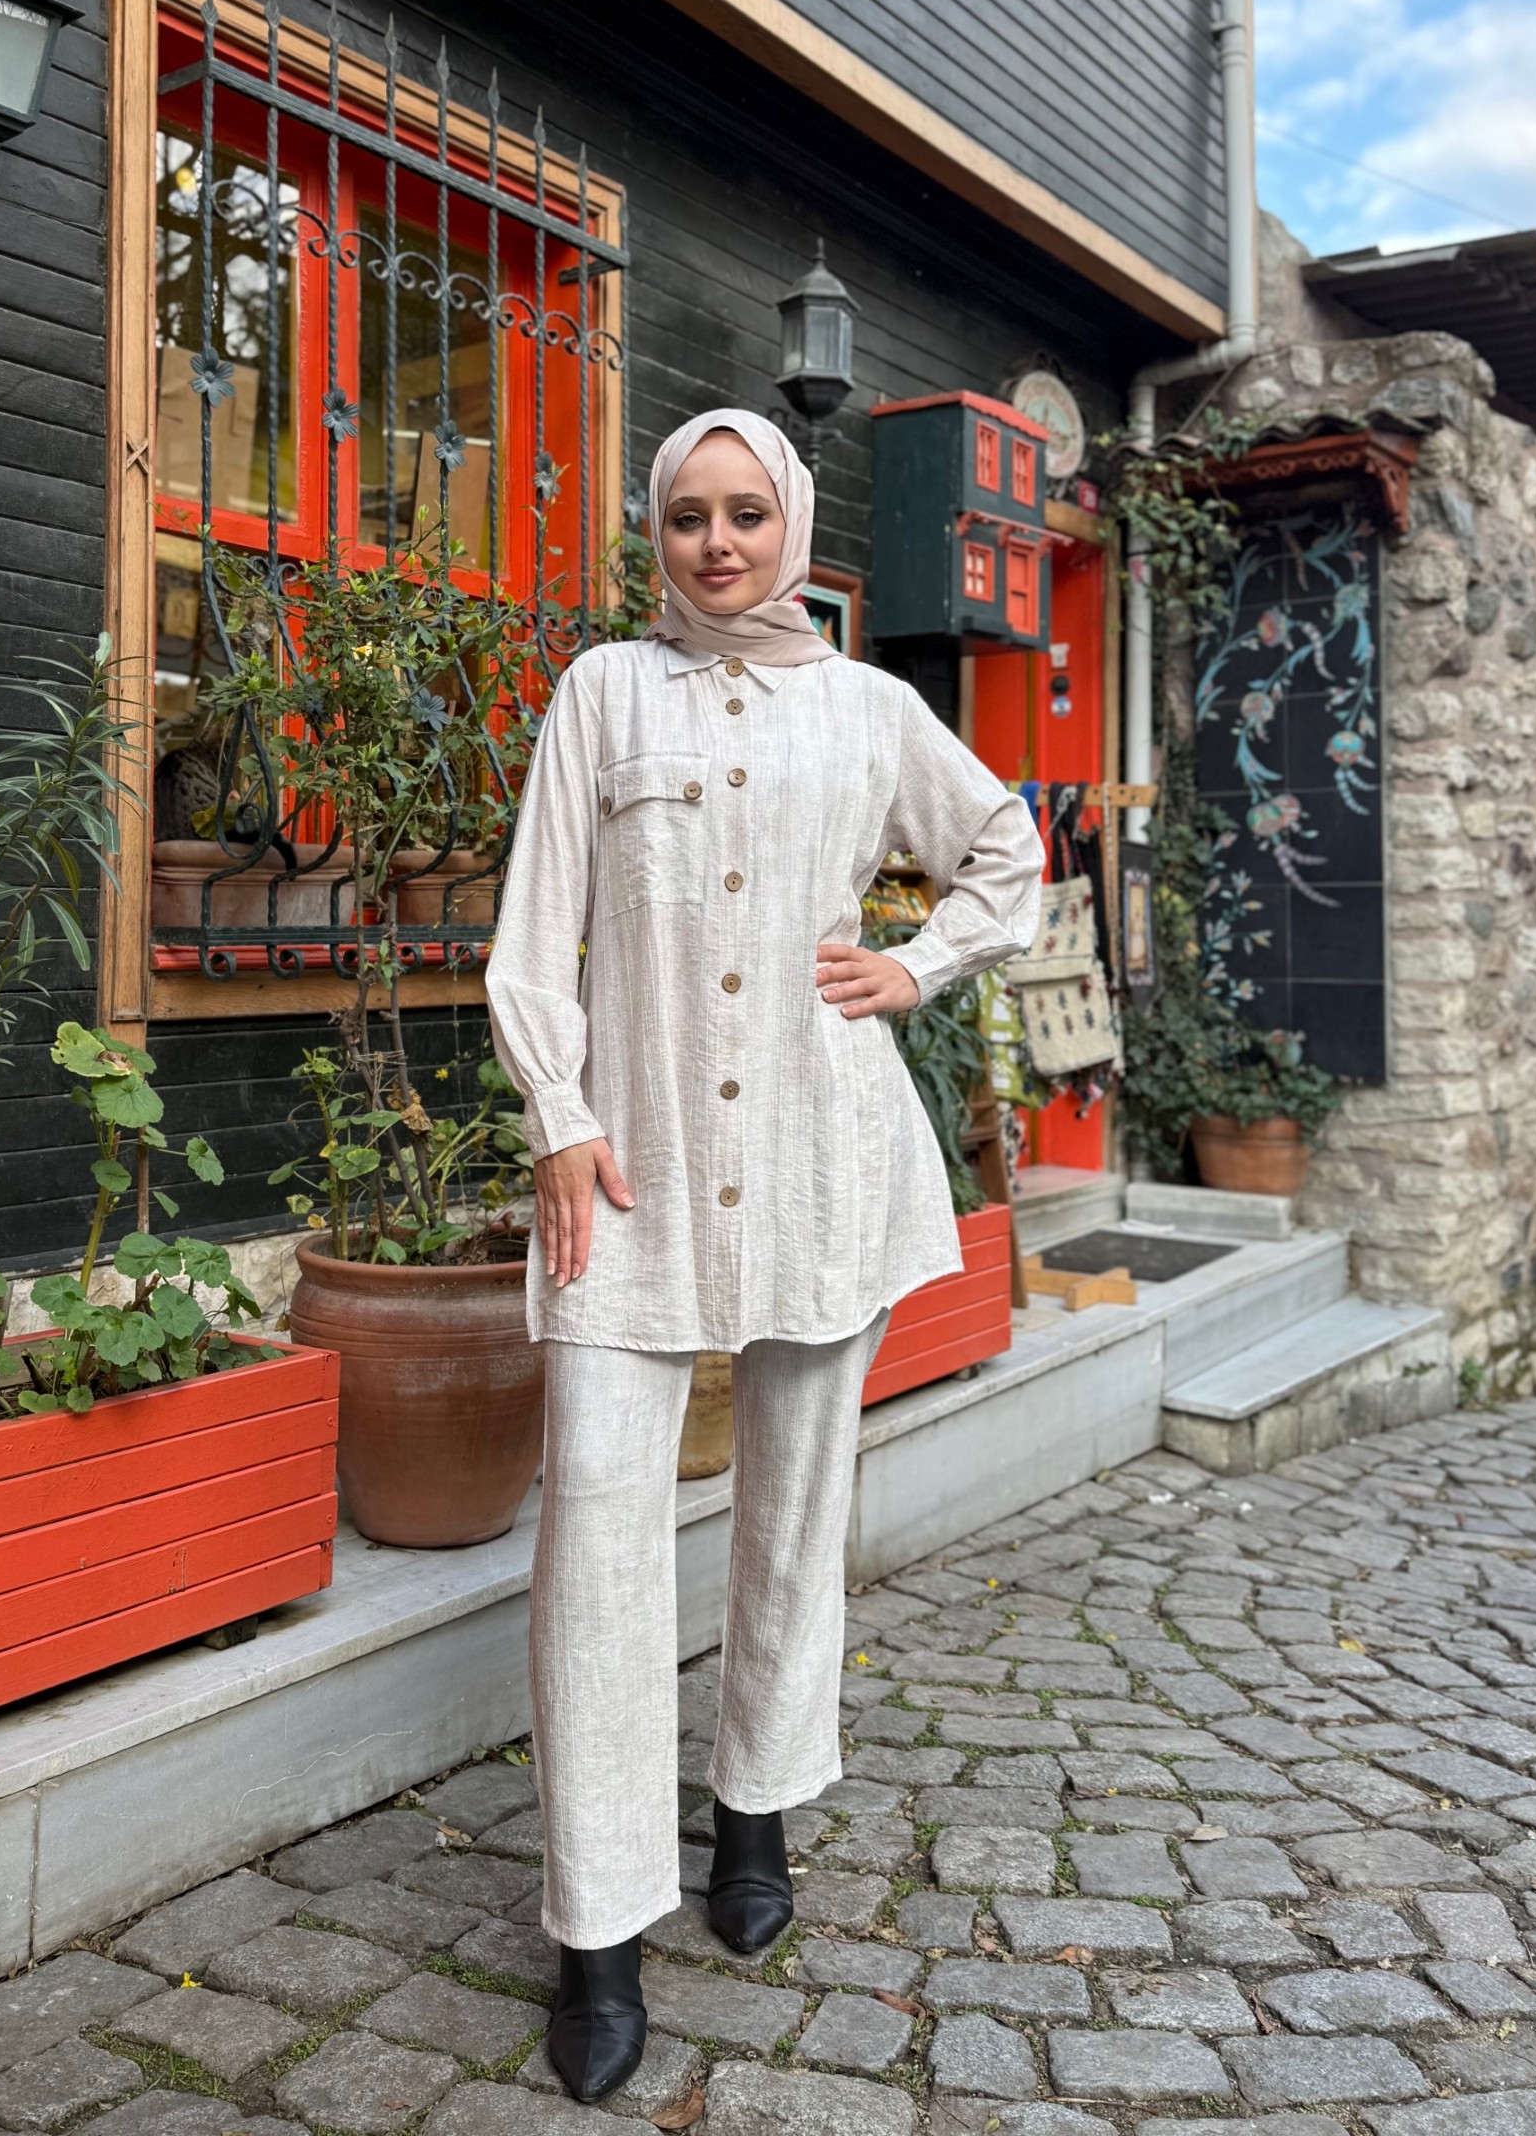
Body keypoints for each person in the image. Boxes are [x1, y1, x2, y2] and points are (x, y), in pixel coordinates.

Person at [485, 406, 1043, 2103]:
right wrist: (558, 1114)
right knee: (597, 1534)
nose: (716, 543)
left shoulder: (869, 710)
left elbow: (1007, 850)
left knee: (797, 1509)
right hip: (628, 1174)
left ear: (791, 527)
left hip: (819, 1156)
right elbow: (535, 934)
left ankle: (755, 1813)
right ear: (654, 532)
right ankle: (597, 1930)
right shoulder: (604, 693)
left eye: (744, 513)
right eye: (686, 517)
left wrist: (917, 965)